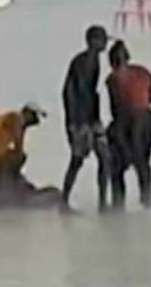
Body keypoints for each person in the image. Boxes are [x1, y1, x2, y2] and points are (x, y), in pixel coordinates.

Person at [61, 25, 113, 213]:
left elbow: (89, 94)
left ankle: (101, 202)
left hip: (90, 119)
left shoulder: (94, 61)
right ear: (93, 41)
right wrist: (77, 123)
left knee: (105, 158)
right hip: (80, 120)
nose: (106, 43)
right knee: (77, 161)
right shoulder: (82, 62)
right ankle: (64, 200)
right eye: (103, 39)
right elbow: (72, 93)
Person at [105, 40, 151, 210]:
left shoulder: (112, 79)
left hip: (128, 120)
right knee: (143, 163)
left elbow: (115, 108)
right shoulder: (143, 72)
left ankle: (118, 205)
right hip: (147, 119)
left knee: (117, 167)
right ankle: (147, 201)